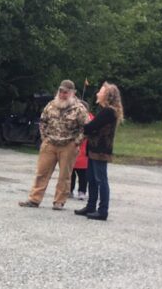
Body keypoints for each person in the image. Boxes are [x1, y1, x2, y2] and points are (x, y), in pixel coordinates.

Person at [19, 80, 89, 209]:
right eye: (61, 91)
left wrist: (76, 142)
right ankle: (34, 199)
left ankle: (59, 201)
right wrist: (44, 138)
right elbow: (43, 122)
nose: (62, 94)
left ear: (72, 93)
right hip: (50, 143)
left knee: (64, 176)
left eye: (66, 92)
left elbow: (86, 128)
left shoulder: (79, 109)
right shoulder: (51, 105)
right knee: (41, 173)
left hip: (68, 145)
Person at [75, 82, 123, 221]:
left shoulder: (109, 111)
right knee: (92, 179)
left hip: (101, 150)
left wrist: (84, 125)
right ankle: (91, 206)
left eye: (100, 91)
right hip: (94, 149)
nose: (97, 94)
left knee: (101, 180)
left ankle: (102, 211)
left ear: (108, 95)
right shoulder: (105, 110)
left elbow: (90, 127)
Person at [70, 112, 93, 200]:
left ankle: (71, 190)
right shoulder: (91, 118)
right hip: (83, 152)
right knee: (82, 175)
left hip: (77, 150)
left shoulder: (74, 117)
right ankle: (81, 191)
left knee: (71, 174)